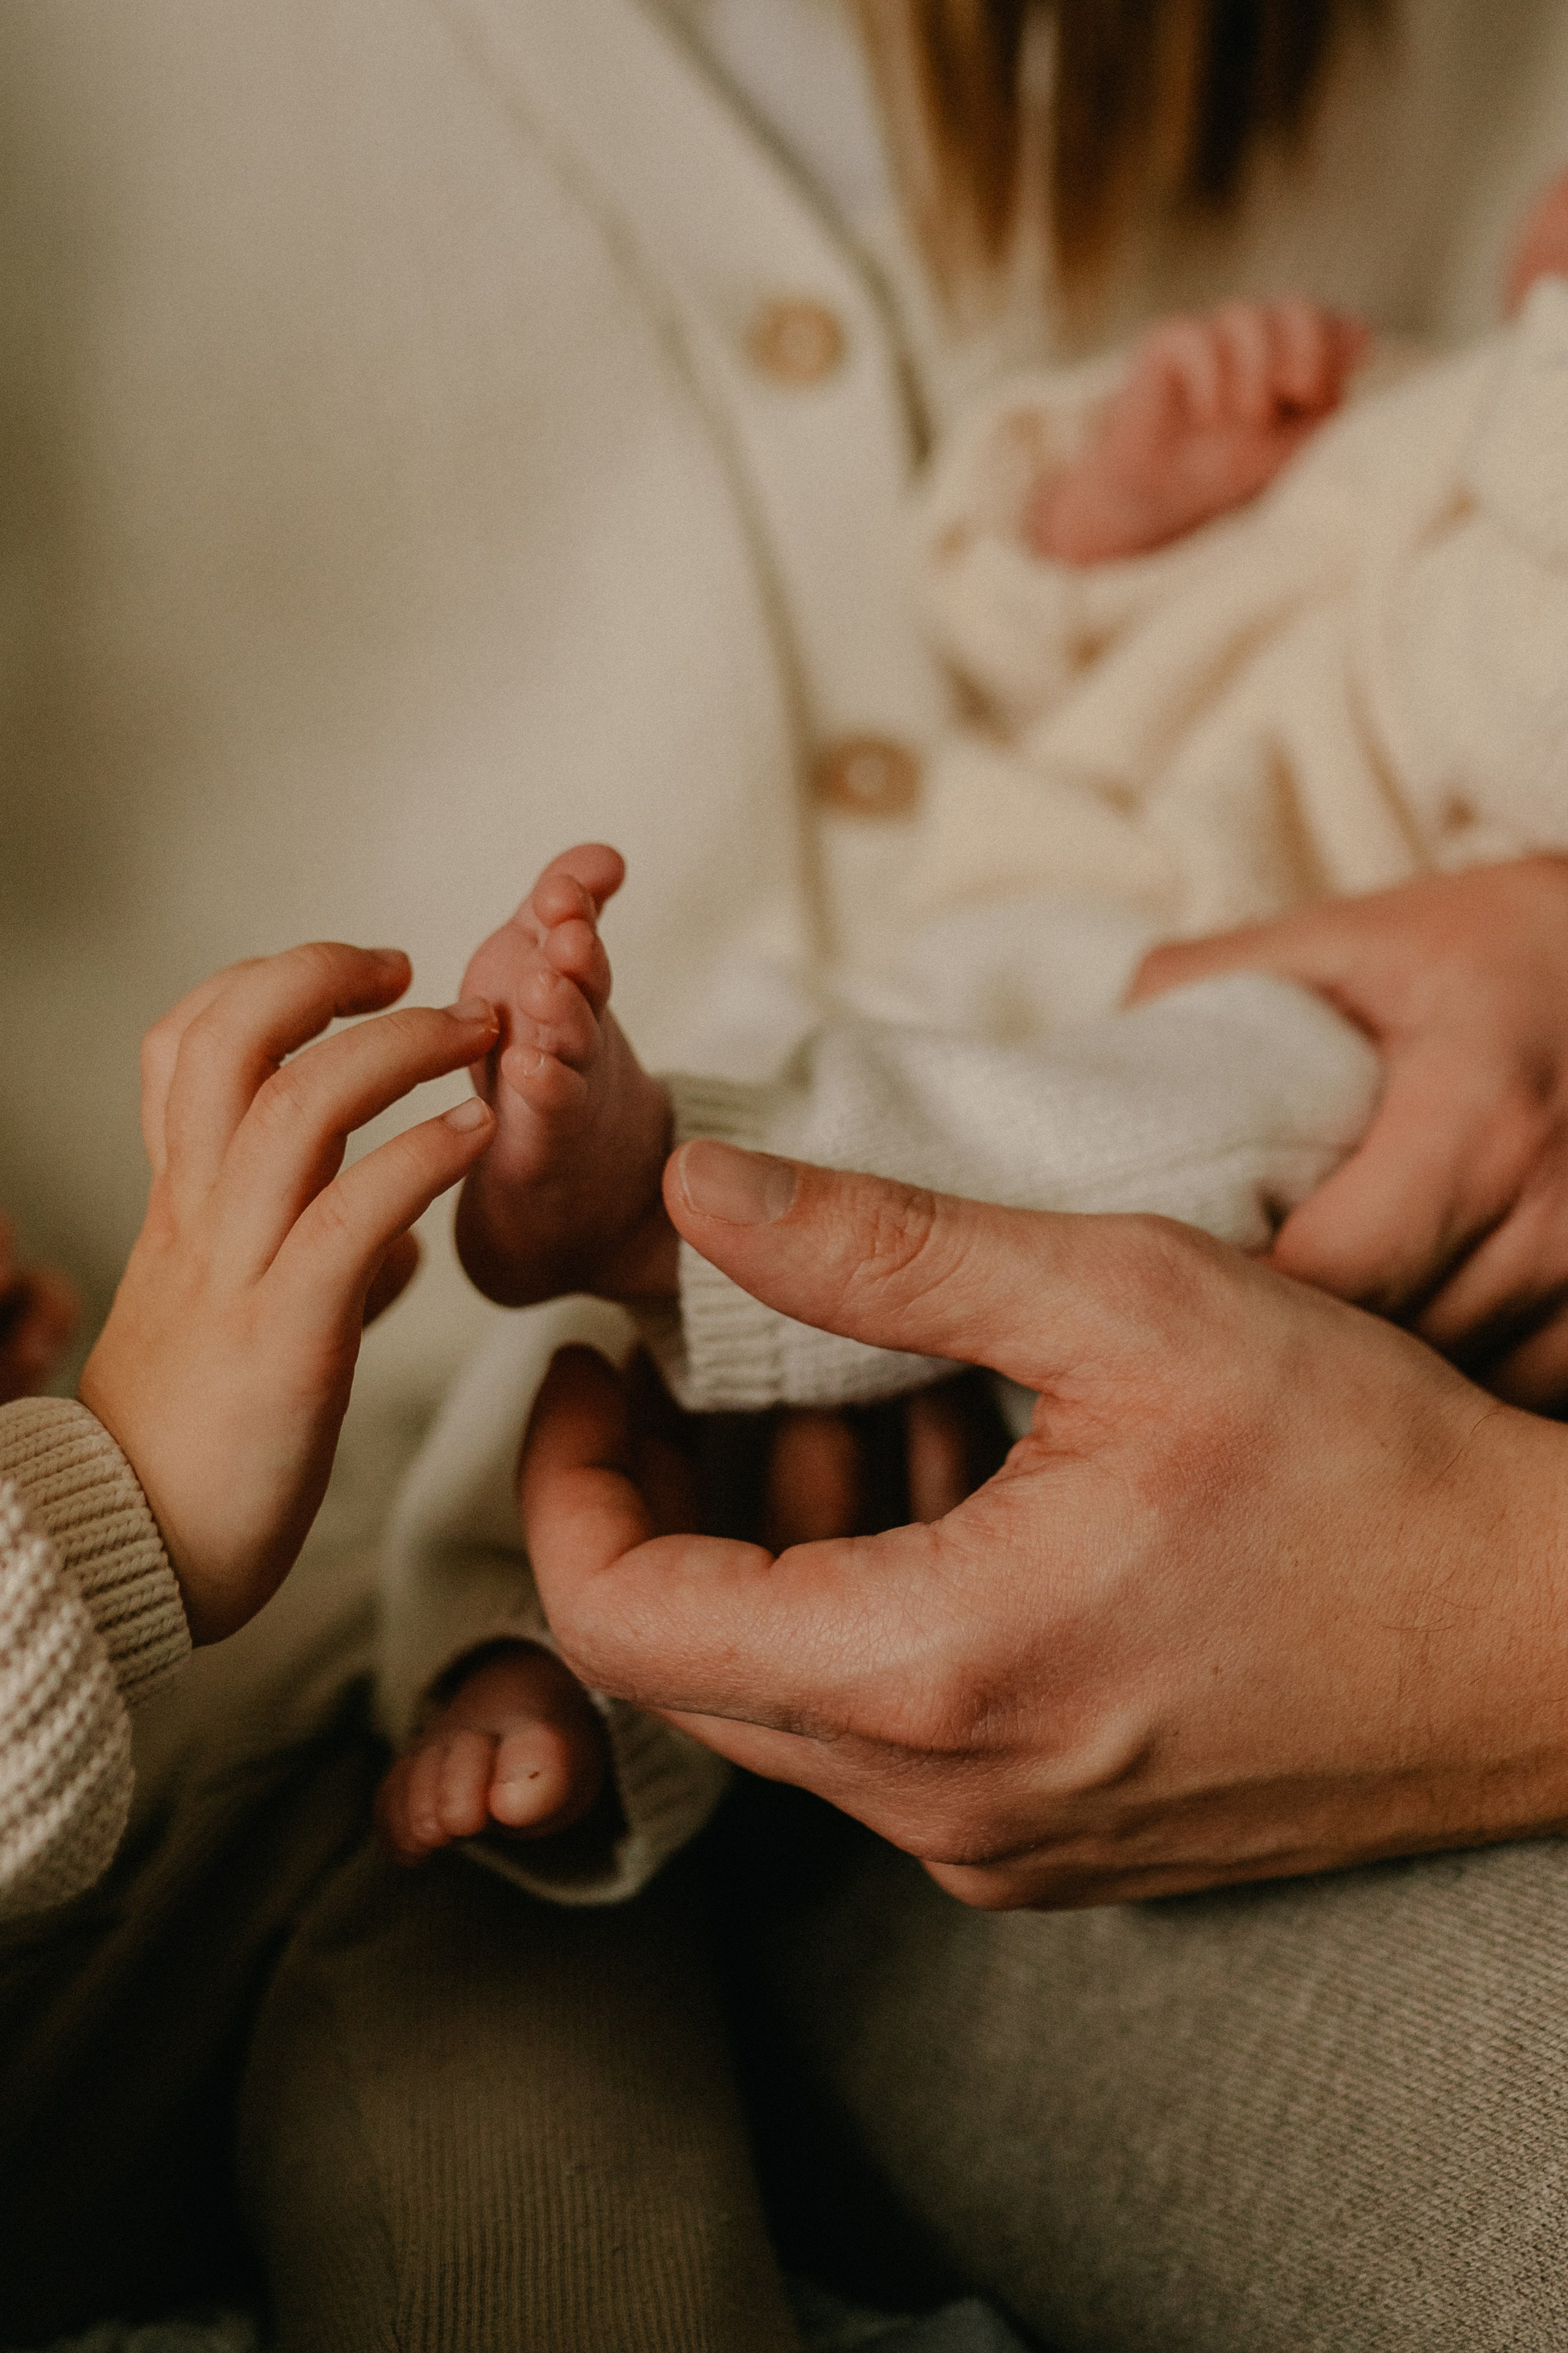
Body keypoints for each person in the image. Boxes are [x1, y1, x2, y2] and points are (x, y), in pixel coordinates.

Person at [10, 2, 1568, 2344]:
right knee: (579, 1411)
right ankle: (514, 1640)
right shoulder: (1405, 426)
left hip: (1251, 1124)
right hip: (883, 1092)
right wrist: (1107, 508)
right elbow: (1031, 610)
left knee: (1158, 1122)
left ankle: (653, 1254)